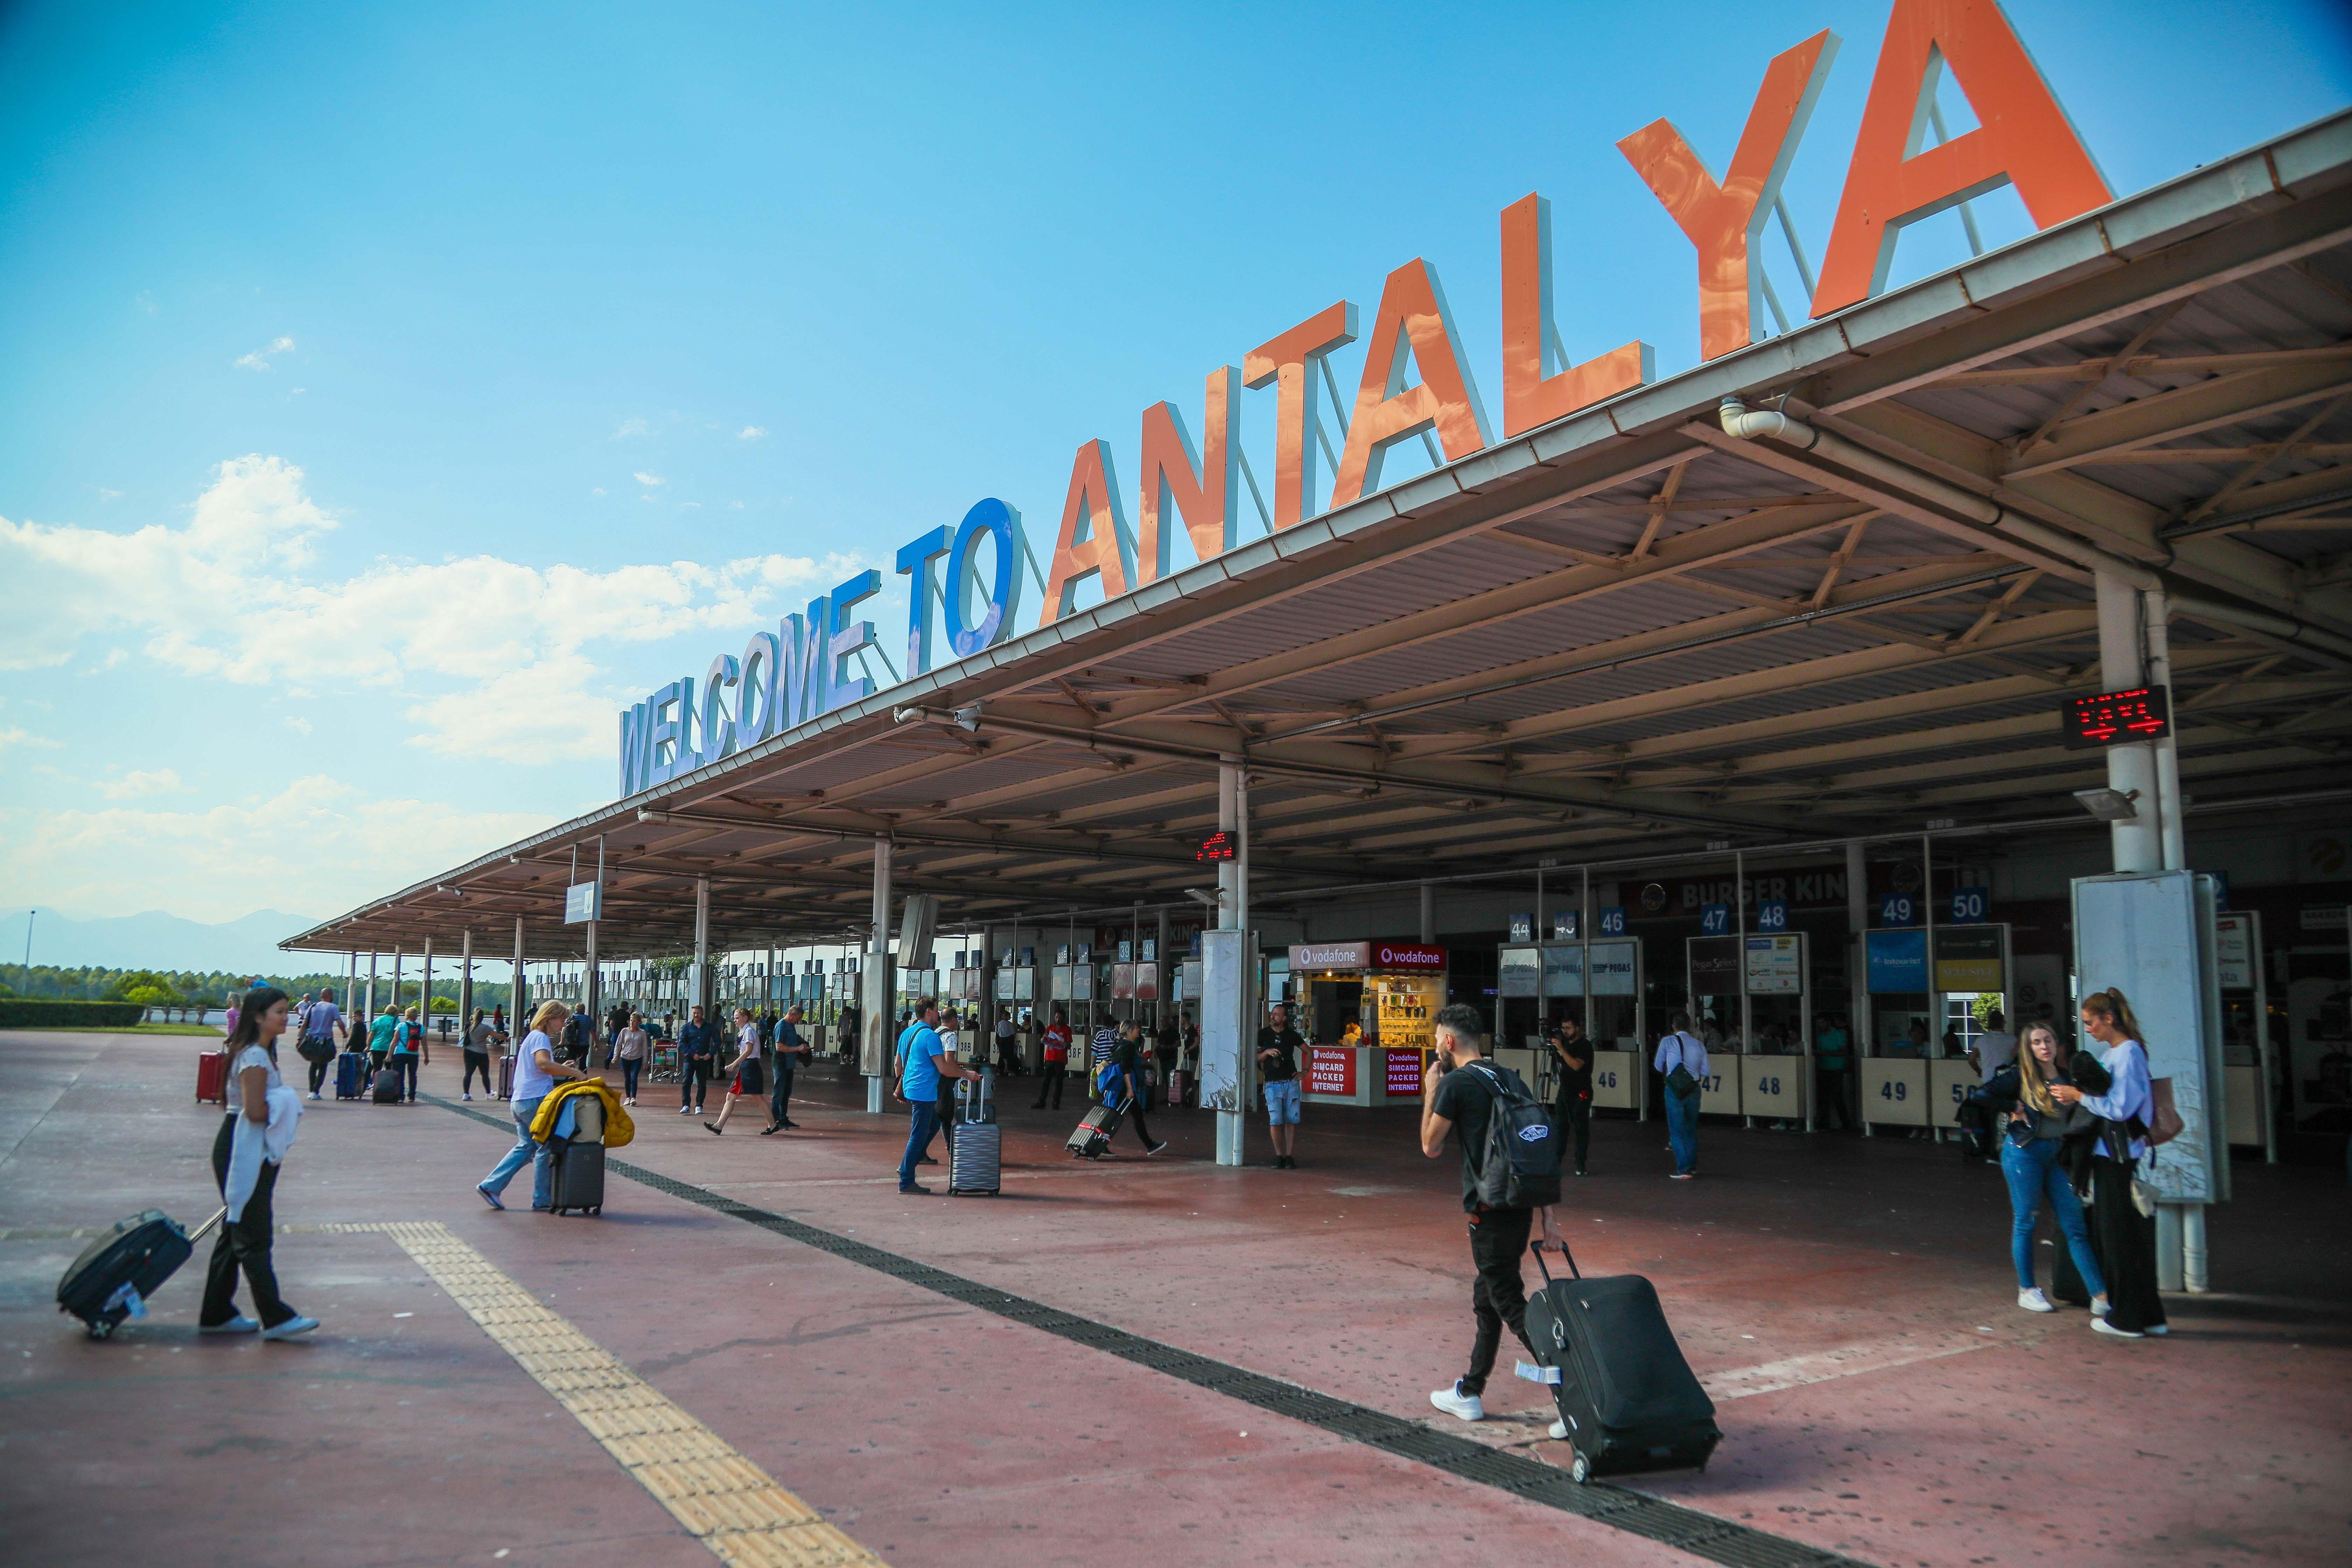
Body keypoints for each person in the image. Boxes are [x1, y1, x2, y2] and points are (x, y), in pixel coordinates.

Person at [1422, 1002, 1560, 1427]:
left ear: (1448, 1041)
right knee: (1488, 1299)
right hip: (1519, 1204)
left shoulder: (1455, 1084)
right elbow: (1532, 1146)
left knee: (1508, 1301)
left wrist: (1431, 1089)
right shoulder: (1508, 1077)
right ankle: (1470, 1390)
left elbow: (1430, 1145)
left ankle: (1574, 1391)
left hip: (1488, 1209)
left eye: (1436, 1042)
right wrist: (1549, 1217)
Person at [2047, 988, 2169, 1339]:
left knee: (2116, 1240)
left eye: (2090, 1022)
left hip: (2113, 1157)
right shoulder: (2125, 1051)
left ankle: (2128, 1318)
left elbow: (2120, 1108)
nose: (2089, 1029)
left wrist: (2078, 1096)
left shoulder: (2126, 1053)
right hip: (2118, 1156)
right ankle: (2149, 1315)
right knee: (2126, 1238)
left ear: (2108, 1018)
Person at [198, 985, 317, 1340]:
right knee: (254, 1235)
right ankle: (276, 1317)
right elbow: (254, 1112)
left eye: (286, 1011)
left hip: (243, 1144)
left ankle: (216, 1313)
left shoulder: (260, 1052)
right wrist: (286, 1106)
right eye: (280, 1012)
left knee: (235, 1231)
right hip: (243, 1147)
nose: (287, 1017)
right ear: (258, 1016)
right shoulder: (254, 1056)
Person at [1972, 1019, 2110, 1318]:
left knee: (2075, 1226)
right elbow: (1980, 1096)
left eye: (2048, 1040)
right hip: (2025, 1154)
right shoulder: (2018, 1077)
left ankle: (2100, 1294)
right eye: (2037, 1042)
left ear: (2057, 1043)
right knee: (2026, 1222)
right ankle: (2027, 1290)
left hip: (2057, 1155)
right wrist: (2013, 1106)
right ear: (2028, 1048)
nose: (2044, 1047)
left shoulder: (2066, 1077)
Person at [477, 1001, 594, 1211]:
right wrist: (575, 1073)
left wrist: (561, 1068)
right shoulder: (541, 1037)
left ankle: (492, 1186)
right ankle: (541, 1198)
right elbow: (543, 1064)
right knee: (545, 1146)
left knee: (526, 1146)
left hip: (520, 1099)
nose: (563, 1024)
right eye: (561, 1020)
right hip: (535, 1100)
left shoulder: (532, 1037)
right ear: (549, 1018)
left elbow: (540, 1067)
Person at [896, 999, 980, 1194]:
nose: (938, 1015)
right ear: (928, 1012)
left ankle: (909, 1167)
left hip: (912, 1088)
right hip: (924, 1092)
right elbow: (944, 1068)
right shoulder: (930, 1036)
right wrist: (967, 1075)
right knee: (918, 1135)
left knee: (933, 1124)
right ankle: (906, 1179)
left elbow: (898, 1066)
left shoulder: (906, 1034)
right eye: (935, 1011)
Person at [1655, 1012, 1708, 1179]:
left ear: (1674, 1026)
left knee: (1677, 1130)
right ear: (1690, 1026)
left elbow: (1658, 1065)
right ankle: (1691, 1166)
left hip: (1674, 1090)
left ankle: (1683, 1170)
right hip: (1694, 1088)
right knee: (1691, 1128)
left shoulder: (1667, 1041)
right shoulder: (1699, 1045)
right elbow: (1706, 1071)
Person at [1104, 1020, 1168, 1155]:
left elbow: (1114, 1064)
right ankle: (1149, 1145)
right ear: (1129, 1031)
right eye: (1137, 1028)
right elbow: (1125, 1069)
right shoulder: (1128, 1047)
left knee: (1128, 1115)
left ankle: (1149, 1145)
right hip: (1123, 1088)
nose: (1139, 1031)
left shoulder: (1120, 1045)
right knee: (1122, 1116)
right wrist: (1130, 1089)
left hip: (1117, 1087)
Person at [1258, 1002, 1306, 1168]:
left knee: (1291, 1119)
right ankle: (1279, 1155)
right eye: (1273, 1013)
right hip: (1272, 1082)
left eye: (1277, 1014)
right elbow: (1256, 1058)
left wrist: (1304, 1072)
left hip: (1291, 1082)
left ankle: (1289, 1155)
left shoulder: (1291, 1035)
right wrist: (1266, 1052)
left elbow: (1309, 1052)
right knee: (1276, 1120)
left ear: (1284, 1018)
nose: (1273, 1016)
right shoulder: (1263, 1035)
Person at [705, 1008, 766, 1135]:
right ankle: (719, 1125)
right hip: (747, 1067)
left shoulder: (749, 1032)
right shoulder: (744, 1031)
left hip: (750, 1066)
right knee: (732, 1096)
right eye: (735, 1018)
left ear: (745, 1018)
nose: (735, 1021)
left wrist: (734, 1064)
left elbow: (749, 1051)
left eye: (737, 1018)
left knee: (758, 1098)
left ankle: (773, 1124)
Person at [1546, 1017, 1592, 1177]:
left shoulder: (1585, 1046)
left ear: (1577, 1029)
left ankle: (1580, 1164)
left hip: (1581, 1092)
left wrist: (1561, 1049)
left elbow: (1576, 1065)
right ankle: (1555, 1164)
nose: (1566, 1031)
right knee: (1561, 1128)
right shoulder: (1565, 1045)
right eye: (1564, 1028)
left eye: (1569, 1028)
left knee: (1581, 1129)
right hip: (1564, 1091)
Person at [764, 1005, 810, 1133]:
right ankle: (775, 1120)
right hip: (781, 1063)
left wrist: (802, 1048)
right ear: (792, 1014)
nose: (799, 1020)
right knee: (779, 1092)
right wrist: (798, 1049)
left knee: (786, 1092)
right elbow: (779, 1047)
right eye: (798, 1018)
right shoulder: (781, 1026)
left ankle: (783, 1117)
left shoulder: (791, 1026)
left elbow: (792, 1043)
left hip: (789, 1064)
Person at [295, 986, 342, 1100]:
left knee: (313, 1065)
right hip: (326, 1041)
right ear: (331, 996)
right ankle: (316, 1091)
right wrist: (345, 1033)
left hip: (312, 1040)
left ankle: (311, 1090)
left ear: (321, 996)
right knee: (323, 1066)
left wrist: (300, 1039)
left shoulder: (313, 1007)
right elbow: (340, 1022)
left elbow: (305, 1024)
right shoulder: (334, 1007)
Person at [1814, 1012, 1851, 1131]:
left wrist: (1824, 1053)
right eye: (1819, 1023)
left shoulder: (1838, 1035)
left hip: (1836, 1069)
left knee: (1837, 1098)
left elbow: (1844, 1052)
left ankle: (1846, 1124)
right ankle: (1825, 1123)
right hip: (1823, 1069)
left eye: (1823, 1022)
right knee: (1824, 1098)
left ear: (1829, 1022)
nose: (1821, 1025)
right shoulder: (1821, 1037)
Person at [1032, 1007, 1072, 1111]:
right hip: (1049, 1058)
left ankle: (1056, 1103)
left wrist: (1065, 1044)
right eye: (1056, 1017)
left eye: (1059, 1018)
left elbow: (1069, 1044)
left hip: (1060, 1060)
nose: (1057, 1019)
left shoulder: (1067, 1029)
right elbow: (1044, 1038)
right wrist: (1044, 1039)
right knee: (1046, 1081)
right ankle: (1042, 1101)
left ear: (1064, 1019)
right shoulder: (1050, 1028)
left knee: (1058, 1083)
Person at [677, 1005, 714, 1115]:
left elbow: (718, 1042)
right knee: (686, 1081)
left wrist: (710, 1054)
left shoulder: (709, 1027)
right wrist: (692, 1054)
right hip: (690, 1059)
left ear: (702, 1014)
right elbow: (681, 1043)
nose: (696, 1015)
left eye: (698, 1013)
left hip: (704, 1059)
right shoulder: (686, 1028)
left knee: (702, 1082)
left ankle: (699, 1105)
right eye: (694, 1013)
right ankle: (686, 1105)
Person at [388, 1003, 428, 1103]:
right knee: (413, 1075)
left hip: (400, 1053)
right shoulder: (421, 1028)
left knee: (400, 1075)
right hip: (414, 1054)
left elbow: (395, 1041)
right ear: (416, 1017)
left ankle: (401, 1096)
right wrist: (427, 1057)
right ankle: (412, 1096)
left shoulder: (401, 1026)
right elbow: (424, 1044)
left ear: (407, 1016)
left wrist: (389, 1055)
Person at [613, 1012, 650, 1105]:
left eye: (634, 1021)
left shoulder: (642, 1033)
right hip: (625, 1057)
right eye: (631, 1021)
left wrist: (645, 1061)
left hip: (637, 1058)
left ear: (639, 1022)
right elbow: (618, 1044)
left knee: (634, 1078)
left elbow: (645, 1047)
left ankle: (633, 1097)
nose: (632, 1023)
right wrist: (615, 1056)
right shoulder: (624, 1031)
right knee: (627, 1078)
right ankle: (628, 1097)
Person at [1972, 1009, 2018, 1083]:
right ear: (2003, 1023)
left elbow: (1972, 1060)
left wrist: (1980, 1072)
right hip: (2006, 1080)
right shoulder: (2013, 1039)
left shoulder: (1981, 1040)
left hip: (1988, 1079)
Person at [462, 1008, 498, 1100]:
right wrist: (507, 1039)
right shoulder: (485, 1028)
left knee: (468, 1074)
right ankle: (488, 1094)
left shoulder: (469, 1026)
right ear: (483, 1018)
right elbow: (496, 1036)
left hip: (469, 1052)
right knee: (485, 1074)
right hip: (482, 1053)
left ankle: (466, 1094)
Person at [367, 1003, 399, 1079]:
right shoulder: (395, 1021)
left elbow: (372, 1035)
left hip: (376, 1047)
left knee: (377, 1068)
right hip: (388, 1048)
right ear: (395, 1012)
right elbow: (397, 1034)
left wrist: (368, 1046)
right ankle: (387, 1084)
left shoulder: (377, 1020)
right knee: (389, 1069)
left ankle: (375, 1084)